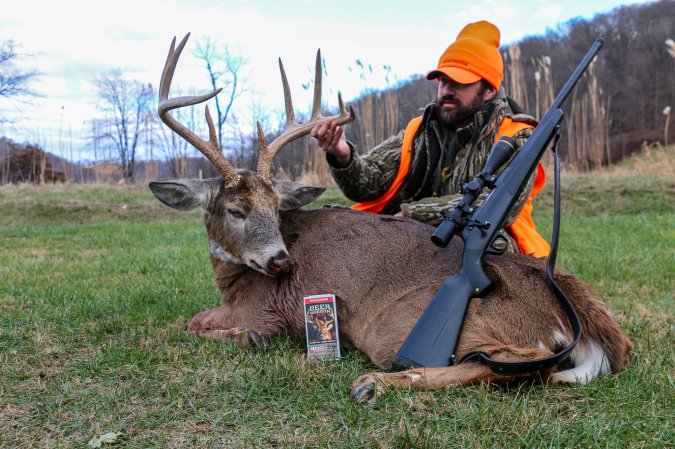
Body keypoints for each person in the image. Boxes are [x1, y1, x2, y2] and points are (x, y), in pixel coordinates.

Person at [310, 20, 550, 257]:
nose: (446, 90)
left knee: (489, 244)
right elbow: (370, 183)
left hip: (474, 239)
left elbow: (497, 204)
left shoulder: (515, 136)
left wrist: (412, 215)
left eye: (460, 83)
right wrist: (343, 156)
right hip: (412, 235)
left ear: (489, 91)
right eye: (443, 81)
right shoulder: (420, 130)